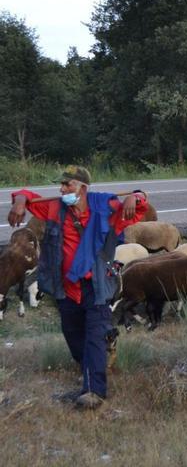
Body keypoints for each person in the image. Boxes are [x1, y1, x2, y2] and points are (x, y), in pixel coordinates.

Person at [6, 166, 150, 410]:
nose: (62, 189)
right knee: (72, 333)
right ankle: (91, 366)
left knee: (94, 335)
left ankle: (94, 391)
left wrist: (133, 198)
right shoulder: (55, 208)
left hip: (96, 285)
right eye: (61, 185)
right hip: (66, 287)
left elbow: (141, 199)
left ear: (82, 188)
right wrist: (19, 202)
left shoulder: (107, 207)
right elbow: (26, 195)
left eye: (68, 185)